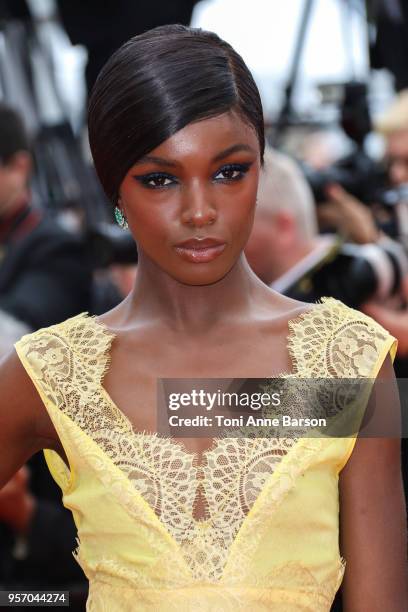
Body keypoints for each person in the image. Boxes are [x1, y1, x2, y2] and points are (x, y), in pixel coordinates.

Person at [0, 24, 407, 611]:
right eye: (159, 178)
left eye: (228, 172)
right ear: (113, 188)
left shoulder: (349, 363)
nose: (199, 211)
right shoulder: (53, 373)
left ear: (262, 166)